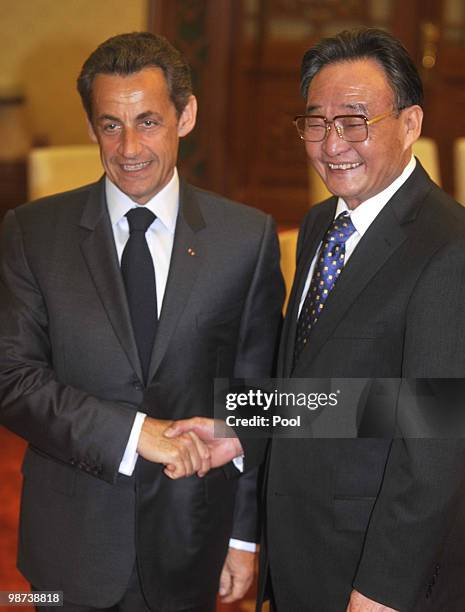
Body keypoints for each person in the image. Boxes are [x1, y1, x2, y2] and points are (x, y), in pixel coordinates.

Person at [167, 28, 465, 611]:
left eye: (355, 121)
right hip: (304, 551)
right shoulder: (319, 225)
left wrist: (381, 592)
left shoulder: (448, 247)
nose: (333, 145)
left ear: (410, 125)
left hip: (374, 574)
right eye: (316, 123)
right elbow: (347, 389)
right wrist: (241, 424)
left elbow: (436, 443)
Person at [0, 32, 284, 612]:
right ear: (90, 127)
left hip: (192, 543)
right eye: (110, 124)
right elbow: (12, 380)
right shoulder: (32, 234)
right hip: (66, 554)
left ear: (186, 116)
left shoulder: (246, 238)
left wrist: (243, 535)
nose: (129, 147)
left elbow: (258, 397)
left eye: (149, 121)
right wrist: (136, 435)